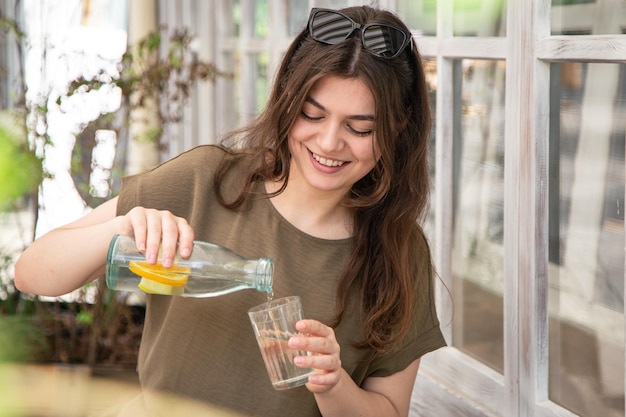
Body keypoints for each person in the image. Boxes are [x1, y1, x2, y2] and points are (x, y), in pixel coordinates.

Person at [15, 5, 446, 417]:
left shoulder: (399, 254)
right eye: (312, 115)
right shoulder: (209, 181)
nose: (330, 142)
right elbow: (32, 272)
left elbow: (389, 410)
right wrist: (123, 227)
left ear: (398, 127)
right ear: (287, 100)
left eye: (360, 128)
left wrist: (334, 384)